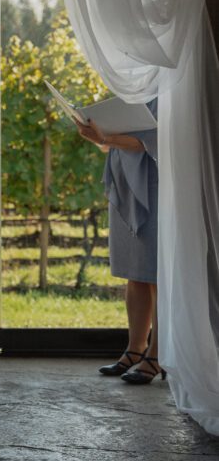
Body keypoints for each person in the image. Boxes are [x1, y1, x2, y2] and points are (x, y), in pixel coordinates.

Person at [76, 100, 163, 384]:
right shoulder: (128, 84)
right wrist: (98, 135)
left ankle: (158, 354)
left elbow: (156, 138)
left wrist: (106, 137)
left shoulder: (166, 83)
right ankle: (135, 349)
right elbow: (110, 141)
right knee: (134, 271)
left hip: (155, 180)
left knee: (155, 273)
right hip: (125, 179)